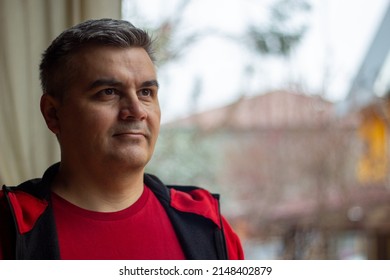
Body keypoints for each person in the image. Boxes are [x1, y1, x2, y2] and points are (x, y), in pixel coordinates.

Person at [0, 18, 244, 260]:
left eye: (146, 92)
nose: (137, 111)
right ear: (53, 114)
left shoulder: (208, 224)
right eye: (108, 92)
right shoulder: (9, 225)